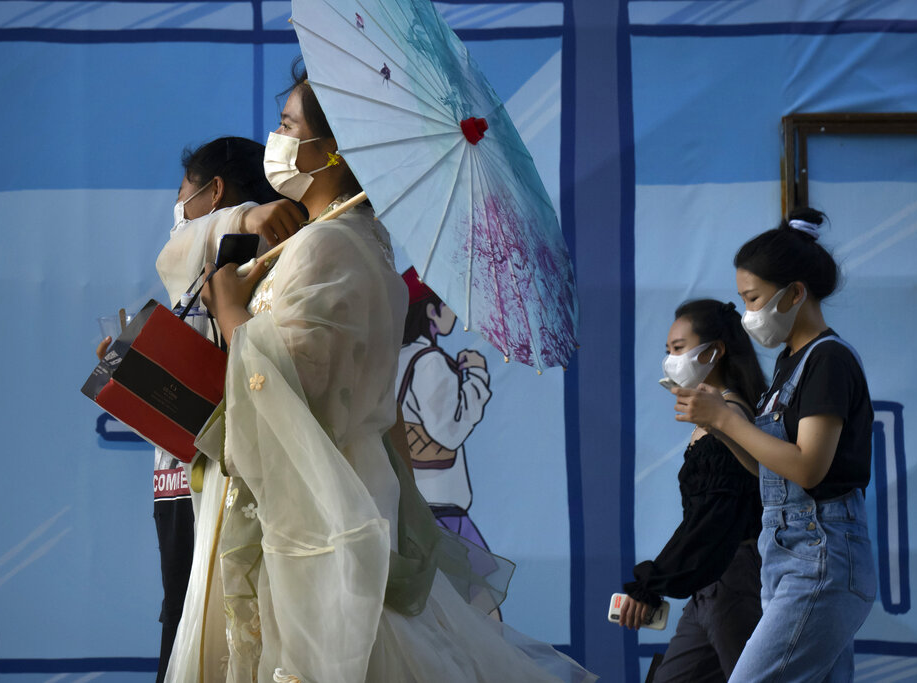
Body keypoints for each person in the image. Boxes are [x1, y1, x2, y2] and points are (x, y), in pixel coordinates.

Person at [165, 61, 595, 683]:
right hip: (332, 488)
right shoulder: (342, 239)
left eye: (289, 125)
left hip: (316, 500)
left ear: (333, 150)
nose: (277, 139)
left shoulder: (328, 246)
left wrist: (233, 316)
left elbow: (284, 392)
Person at [94, 135, 304, 683]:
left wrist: (251, 216)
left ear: (213, 194)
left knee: (203, 628)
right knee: (187, 622)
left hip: (215, 482)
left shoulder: (242, 254)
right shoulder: (211, 263)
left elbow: (183, 241)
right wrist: (136, 364)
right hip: (185, 477)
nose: (178, 209)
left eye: (183, 192)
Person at [673, 208, 876, 682]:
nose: (749, 316)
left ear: (796, 293)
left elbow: (808, 468)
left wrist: (726, 416)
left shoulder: (829, 361)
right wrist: (718, 425)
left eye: (754, 299)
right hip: (788, 557)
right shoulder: (790, 361)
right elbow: (769, 467)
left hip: (822, 560)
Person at [618, 299, 766, 682]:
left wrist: (652, 584)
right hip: (710, 582)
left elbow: (713, 518)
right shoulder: (716, 417)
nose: (670, 361)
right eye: (668, 351)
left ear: (714, 351)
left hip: (731, 577)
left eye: (679, 349)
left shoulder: (730, 417)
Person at [396, 267, 493, 552]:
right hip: (440, 510)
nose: (456, 313)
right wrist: (476, 377)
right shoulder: (430, 362)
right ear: (431, 312)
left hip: (409, 503)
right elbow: (450, 431)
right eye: (449, 303)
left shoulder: (396, 357)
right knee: (472, 592)